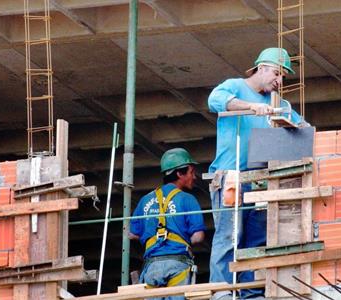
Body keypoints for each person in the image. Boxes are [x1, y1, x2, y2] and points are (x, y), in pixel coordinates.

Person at [207, 47, 306, 299]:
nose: (280, 80)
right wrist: (250, 107)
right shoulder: (235, 87)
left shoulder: (279, 103)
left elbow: (302, 128)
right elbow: (214, 100)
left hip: (262, 181)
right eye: (277, 73)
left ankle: (250, 293)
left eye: (283, 75)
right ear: (261, 68)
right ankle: (221, 292)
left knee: (257, 239)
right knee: (230, 235)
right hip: (232, 176)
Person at [129, 148, 206, 299]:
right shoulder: (188, 199)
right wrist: (179, 243)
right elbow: (198, 237)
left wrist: (152, 239)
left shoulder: (145, 200)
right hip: (178, 264)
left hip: (152, 267)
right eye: (191, 172)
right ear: (179, 173)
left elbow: (132, 234)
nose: (194, 177)